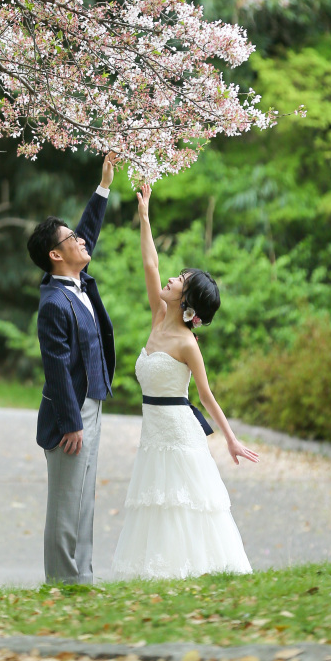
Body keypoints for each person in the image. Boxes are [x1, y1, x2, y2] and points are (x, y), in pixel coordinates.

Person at [112, 182, 257, 580]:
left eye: (180, 280)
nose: (171, 280)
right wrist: (144, 217)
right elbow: (150, 265)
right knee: (156, 503)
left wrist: (230, 439)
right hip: (153, 432)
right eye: (176, 276)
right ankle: (158, 574)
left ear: (187, 300)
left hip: (179, 432)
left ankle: (197, 572)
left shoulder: (188, 344)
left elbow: (206, 397)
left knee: (186, 502)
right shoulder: (159, 315)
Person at [27, 152, 118, 585]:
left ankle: (83, 579)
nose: (81, 241)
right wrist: (71, 422)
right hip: (71, 416)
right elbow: (57, 369)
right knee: (65, 504)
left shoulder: (75, 279)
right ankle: (61, 584)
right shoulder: (53, 304)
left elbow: (88, 233)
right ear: (54, 254)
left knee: (84, 501)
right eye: (71, 239)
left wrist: (103, 186)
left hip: (94, 405)